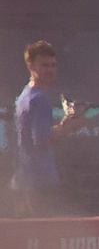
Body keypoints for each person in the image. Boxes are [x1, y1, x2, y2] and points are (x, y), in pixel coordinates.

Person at [11, 40, 67, 217]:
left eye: (53, 65)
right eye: (44, 65)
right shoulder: (38, 98)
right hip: (39, 183)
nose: (50, 70)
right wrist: (70, 125)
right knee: (46, 238)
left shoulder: (25, 95)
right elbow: (43, 141)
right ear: (30, 66)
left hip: (25, 180)